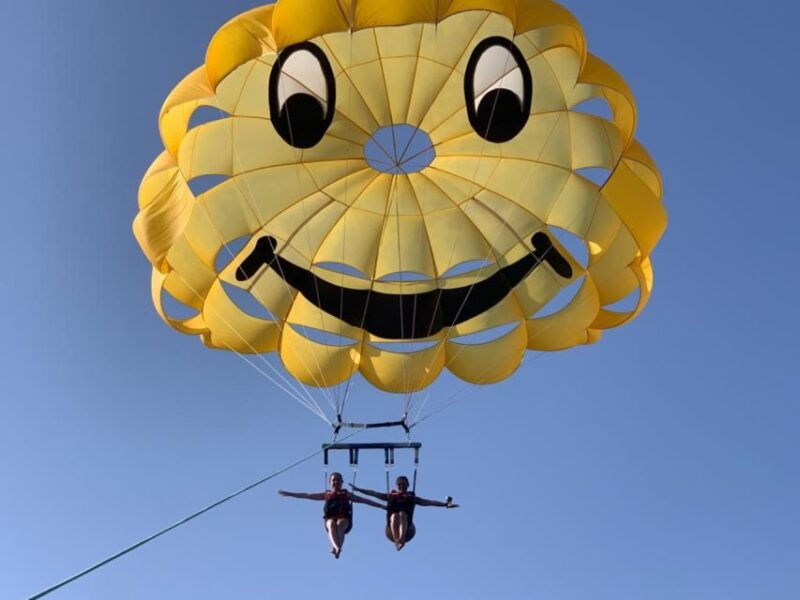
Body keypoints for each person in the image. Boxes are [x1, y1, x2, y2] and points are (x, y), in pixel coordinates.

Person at [278, 472, 386, 558]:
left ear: (342, 482)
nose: (336, 482)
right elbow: (308, 495)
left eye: (338, 480)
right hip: (330, 519)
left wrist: (381, 506)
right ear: (330, 482)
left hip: (344, 519)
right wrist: (290, 494)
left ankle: (336, 547)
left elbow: (364, 500)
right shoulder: (327, 495)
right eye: (333, 480)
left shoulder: (346, 494)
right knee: (331, 524)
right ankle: (337, 548)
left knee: (339, 524)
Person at [352, 476, 459, 551]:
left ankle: (401, 539)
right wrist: (359, 490)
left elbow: (429, 502)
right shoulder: (390, 496)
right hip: (391, 528)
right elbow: (374, 493)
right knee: (394, 515)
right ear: (396, 485)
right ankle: (397, 540)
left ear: (407, 485)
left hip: (408, 528)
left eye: (403, 484)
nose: (401, 486)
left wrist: (445, 505)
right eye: (399, 484)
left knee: (402, 514)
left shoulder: (411, 498)